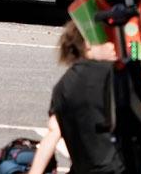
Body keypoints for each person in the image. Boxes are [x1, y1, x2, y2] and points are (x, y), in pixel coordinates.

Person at [25, 23, 123, 174]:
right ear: (88, 44)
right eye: (107, 40)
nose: (113, 46)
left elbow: (52, 133)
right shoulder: (109, 72)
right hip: (118, 167)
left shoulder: (62, 86)